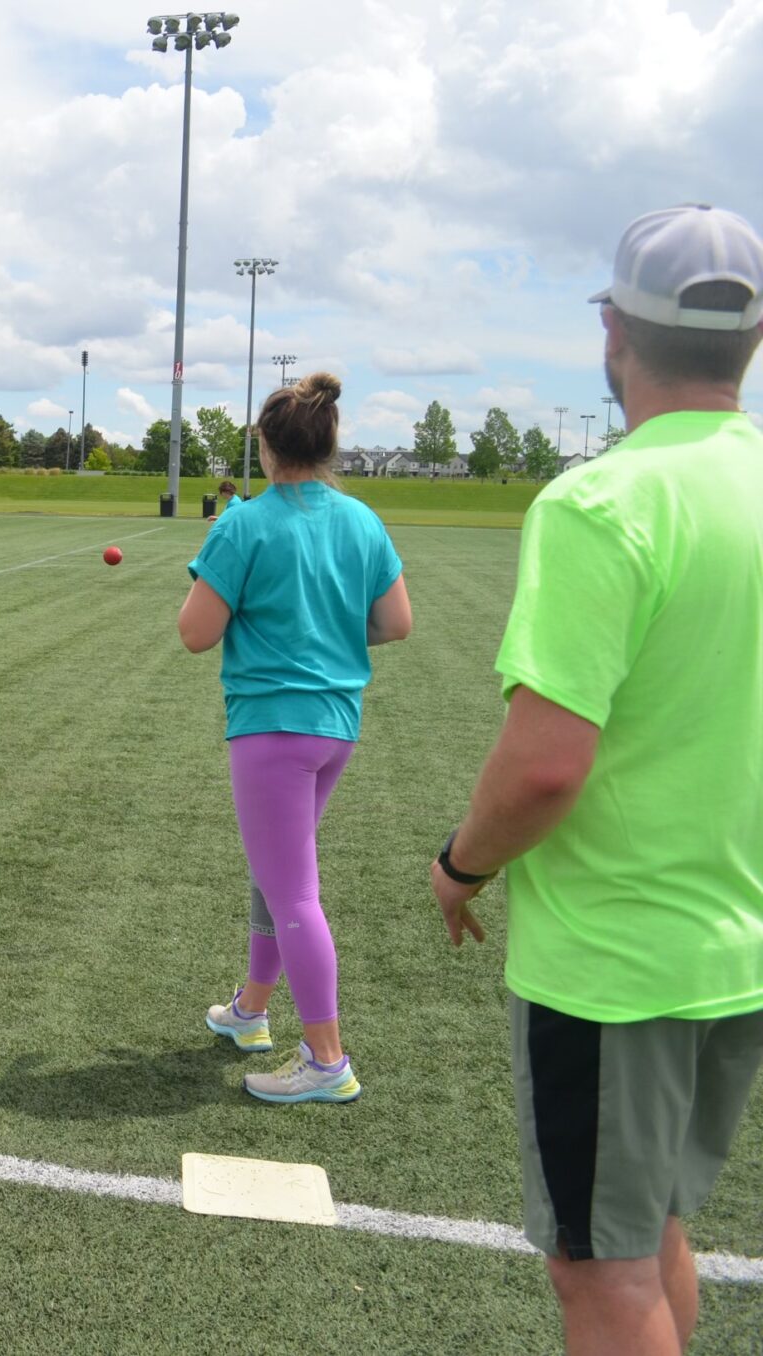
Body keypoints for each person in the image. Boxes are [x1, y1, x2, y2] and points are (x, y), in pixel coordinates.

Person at [430, 204, 763, 1356]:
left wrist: (455, 867)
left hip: (614, 965)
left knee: (599, 1276)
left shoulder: (599, 503)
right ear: (750, 339)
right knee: (653, 1227)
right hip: (734, 948)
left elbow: (543, 768)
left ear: (612, 332)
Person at [179, 372, 412, 1104]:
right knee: (276, 874)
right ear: (331, 441)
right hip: (335, 726)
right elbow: (395, 623)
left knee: (294, 894)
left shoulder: (243, 523)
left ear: (265, 445)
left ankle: (326, 1058)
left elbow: (195, 634)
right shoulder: (362, 520)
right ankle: (251, 1009)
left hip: (272, 729)